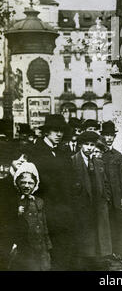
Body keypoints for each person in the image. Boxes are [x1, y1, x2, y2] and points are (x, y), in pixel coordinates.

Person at [29, 114, 75, 270]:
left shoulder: (62, 151)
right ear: (46, 132)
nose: (59, 134)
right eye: (55, 131)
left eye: (61, 131)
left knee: (63, 247)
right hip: (47, 207)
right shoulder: (36, 151)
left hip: (64, 208)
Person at [71, 131, 112, 270]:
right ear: (80, 145)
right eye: (86, 144)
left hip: (98, 203)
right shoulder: (73, 161)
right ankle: (84, 260)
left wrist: (105, 198)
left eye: (92, 145)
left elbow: (105, 183)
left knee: (98, 232)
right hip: (82, 204)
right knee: (85, 233)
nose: (89, 148)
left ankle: (96, 259)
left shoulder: (99, 163)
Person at [10, 162, 52, 271]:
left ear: (35, 184)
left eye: (30, 183)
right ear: (17, 183)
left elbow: (44, 224)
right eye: (23, 182)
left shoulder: (39, 201)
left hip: (40, 246)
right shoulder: (13, 202)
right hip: (24, 247)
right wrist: (16, 213)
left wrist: (47, 245)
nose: (26, 186)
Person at [101, 121, 122, 256]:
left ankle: (117, 251)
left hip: (116, 196)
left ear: (114, 137)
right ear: (102, 136)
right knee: (104, 223)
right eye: (106, 135)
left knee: (116, 222)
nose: (108, 138)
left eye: (111, 135)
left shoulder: (117, 155)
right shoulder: (98, 154)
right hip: (103, 196)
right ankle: (107, 251)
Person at [0, 150, 27, 270]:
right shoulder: (3, 183)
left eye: (25, 157)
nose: (22, 159)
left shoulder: (28, 182)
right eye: (18, 157)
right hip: (5, 230)